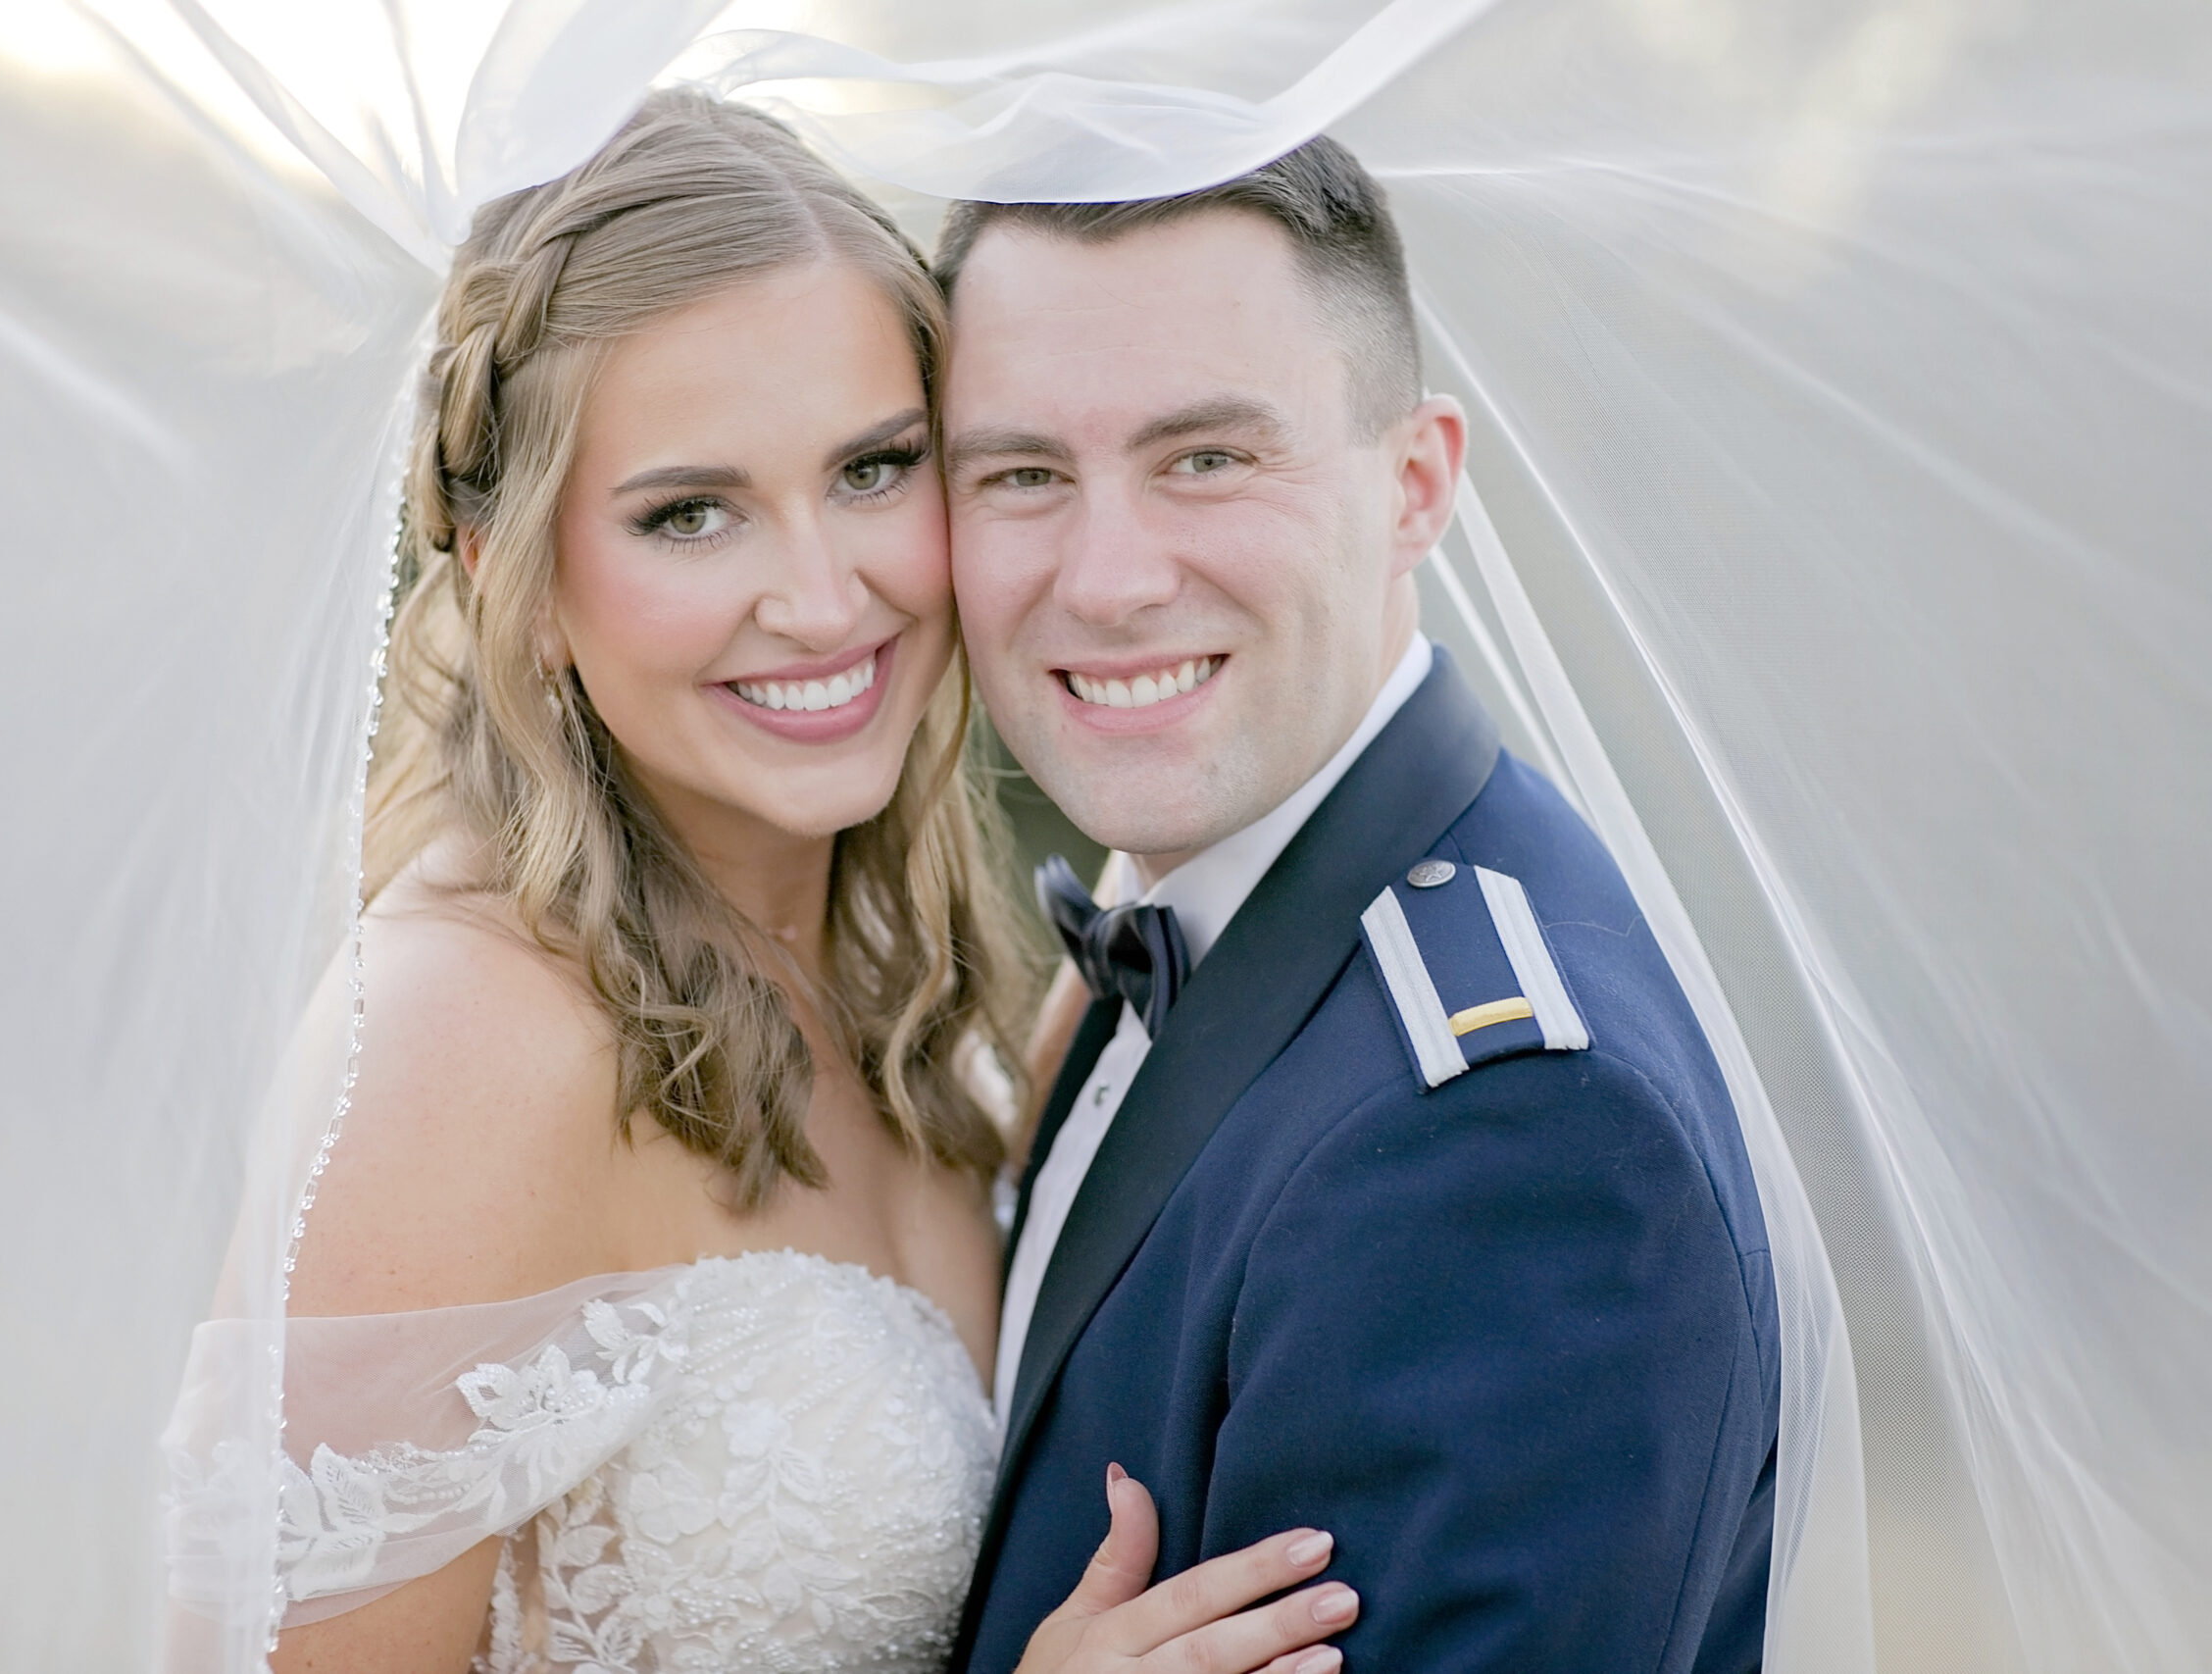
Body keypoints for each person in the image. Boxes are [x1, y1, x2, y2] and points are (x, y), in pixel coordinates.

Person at [166, 89, 1361, 1674]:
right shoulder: (463, 1042)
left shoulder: (926, 1000)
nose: (820, 597)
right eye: (691, 513)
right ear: (511, 579)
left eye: (873, 471)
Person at [939, 140, 1782, 1673]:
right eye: (1021, 476)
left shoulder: (1504, 1140)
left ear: (1416, 486)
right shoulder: (1190, 920)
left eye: (1206, 457)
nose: (1109, 578)